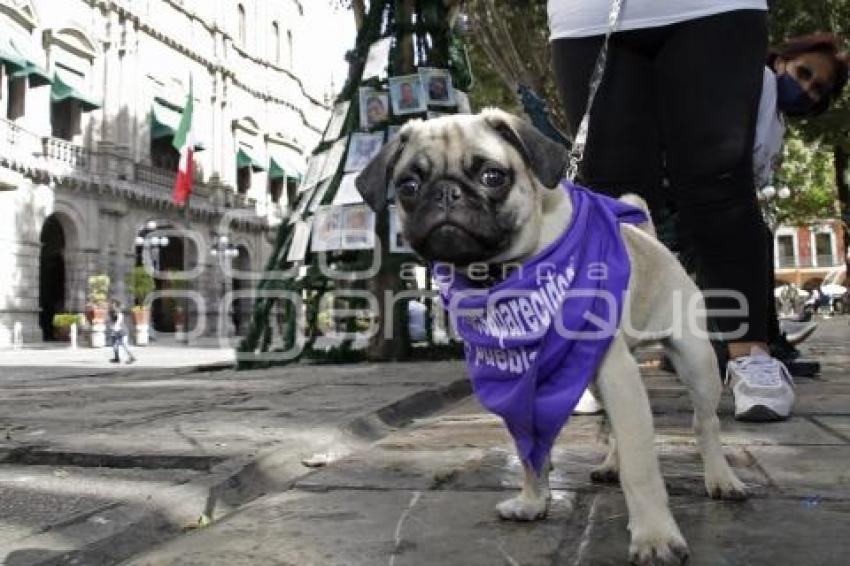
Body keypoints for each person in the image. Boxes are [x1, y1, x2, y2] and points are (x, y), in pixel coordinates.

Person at [547, 1, 792, 420]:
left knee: (718, 181)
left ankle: (751, 356)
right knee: (612, 192)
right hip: (587, 14)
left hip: (713, 10)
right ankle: (600, 361)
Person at [754, 33, 848, 380]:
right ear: (781, 61)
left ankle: (768, 337)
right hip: (686, 193)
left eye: (817, 89)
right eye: (803, 74)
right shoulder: (758, 83)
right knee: (752, 238)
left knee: (760, 234)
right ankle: (758, 340)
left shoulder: (776, 116)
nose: (806, 90)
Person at [108, 300, 136, 364]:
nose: (112, 306)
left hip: (122, 331)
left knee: (124, 344)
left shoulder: (119, 313)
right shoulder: (111, 312)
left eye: (113, 305)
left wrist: (114, 327)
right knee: (115, 345)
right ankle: (117, 358)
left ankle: (132, 357)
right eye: (111, 305)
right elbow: (111, 321)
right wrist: (112, 327)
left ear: (116, 306)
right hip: (115, 331)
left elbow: (118, 322)